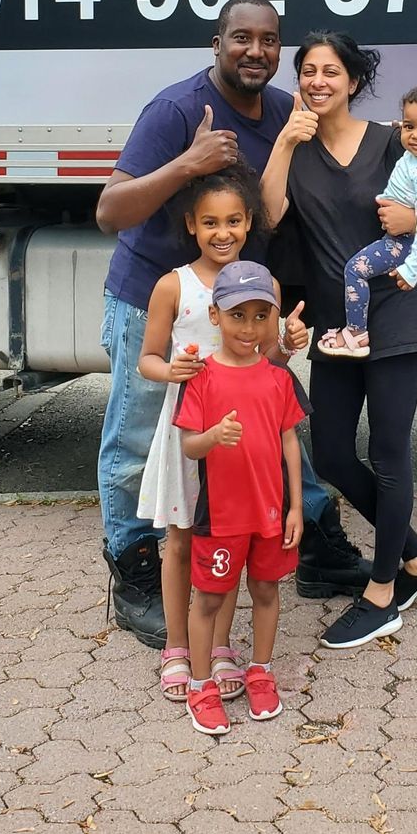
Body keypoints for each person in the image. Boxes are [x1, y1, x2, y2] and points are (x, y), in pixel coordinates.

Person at [95, 0, 369, 647]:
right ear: (215, 43)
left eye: (269, 40)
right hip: (158, 300)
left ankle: (318, 549)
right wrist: (187, 164)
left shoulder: (279, 110)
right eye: (240, 38)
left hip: (236, 310)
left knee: (276, 422)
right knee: (140, 440)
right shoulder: (176, 110)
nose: (256, 50)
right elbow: (110, 211)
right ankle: (135, 574)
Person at [262, 33, 417, 650]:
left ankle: (383, 592)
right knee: (328, 453)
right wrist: (282, 142)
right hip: (337, 327)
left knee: (387, 453)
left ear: (353, 81)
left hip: (398, 317)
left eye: (331, 71)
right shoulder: (296, 151)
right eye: (307, 72)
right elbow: (269, 217)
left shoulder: (391, 141)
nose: (317, 81)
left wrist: (412, 221)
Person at [135, 166, 309, 702]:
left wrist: (291, 342)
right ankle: (178, 648)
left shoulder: (264, 284)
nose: (222, 232)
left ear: (249, 222)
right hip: (189, 428)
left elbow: (267, 360)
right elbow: (146, 359)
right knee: (182, 537)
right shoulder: (174, 285)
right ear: (192, 224)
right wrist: (173, 373)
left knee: (230, 540)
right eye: (210, 222)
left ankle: (224, 647)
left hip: (245, 439)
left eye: (234, 220)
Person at [172, 261, 308, 735]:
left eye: (259, 316)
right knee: (209, 598)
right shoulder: (203, 377)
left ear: (272, 318)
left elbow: (290, 440)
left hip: (271, 514)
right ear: (215, 316)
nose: (248, 328)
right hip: (222, 515)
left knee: (267, 591)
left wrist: (295, 507)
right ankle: (201, 685)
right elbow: (188, 444)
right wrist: (213, 436)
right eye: (237, 316)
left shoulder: (276, 378)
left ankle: (261, 672)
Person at [318, 84, 417, 359]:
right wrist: (412, 131)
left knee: (355, 270)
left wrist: (411, 268)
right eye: (409, 126)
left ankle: (356, 334)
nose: (416, 136)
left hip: (408, 242)